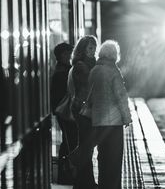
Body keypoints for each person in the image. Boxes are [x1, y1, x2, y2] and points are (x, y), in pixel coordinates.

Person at [89, 40, 132, 189]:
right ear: (114, 55)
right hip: (113, 123)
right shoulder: (113, 71)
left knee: (103, 157)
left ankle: (103, 185)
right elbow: (121, 96)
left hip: (98, 121)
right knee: (114, 159)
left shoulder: (94, 70)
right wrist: (127, 117)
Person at [69, 35, 98, 189]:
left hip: (87, 109)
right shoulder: (81, 65)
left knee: (88, 146)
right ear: (82, 49)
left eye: (94, 47)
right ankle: (84, 182)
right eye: (90, 47)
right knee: (86, 146)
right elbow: (88, 85)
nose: (93, 51)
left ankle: (83, 182)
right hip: (83, 110)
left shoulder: (92, 63)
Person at [50, 42, 77, 184]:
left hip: (65, 112)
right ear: (59, 56)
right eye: (65, 54)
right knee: (70, 142)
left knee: (68, 142)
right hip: (66, 113)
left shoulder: (65, 69)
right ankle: (66, 174)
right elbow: (58, 96)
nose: (68, 56)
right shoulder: (62, 72)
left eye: (70, 53)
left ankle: (65, 173)